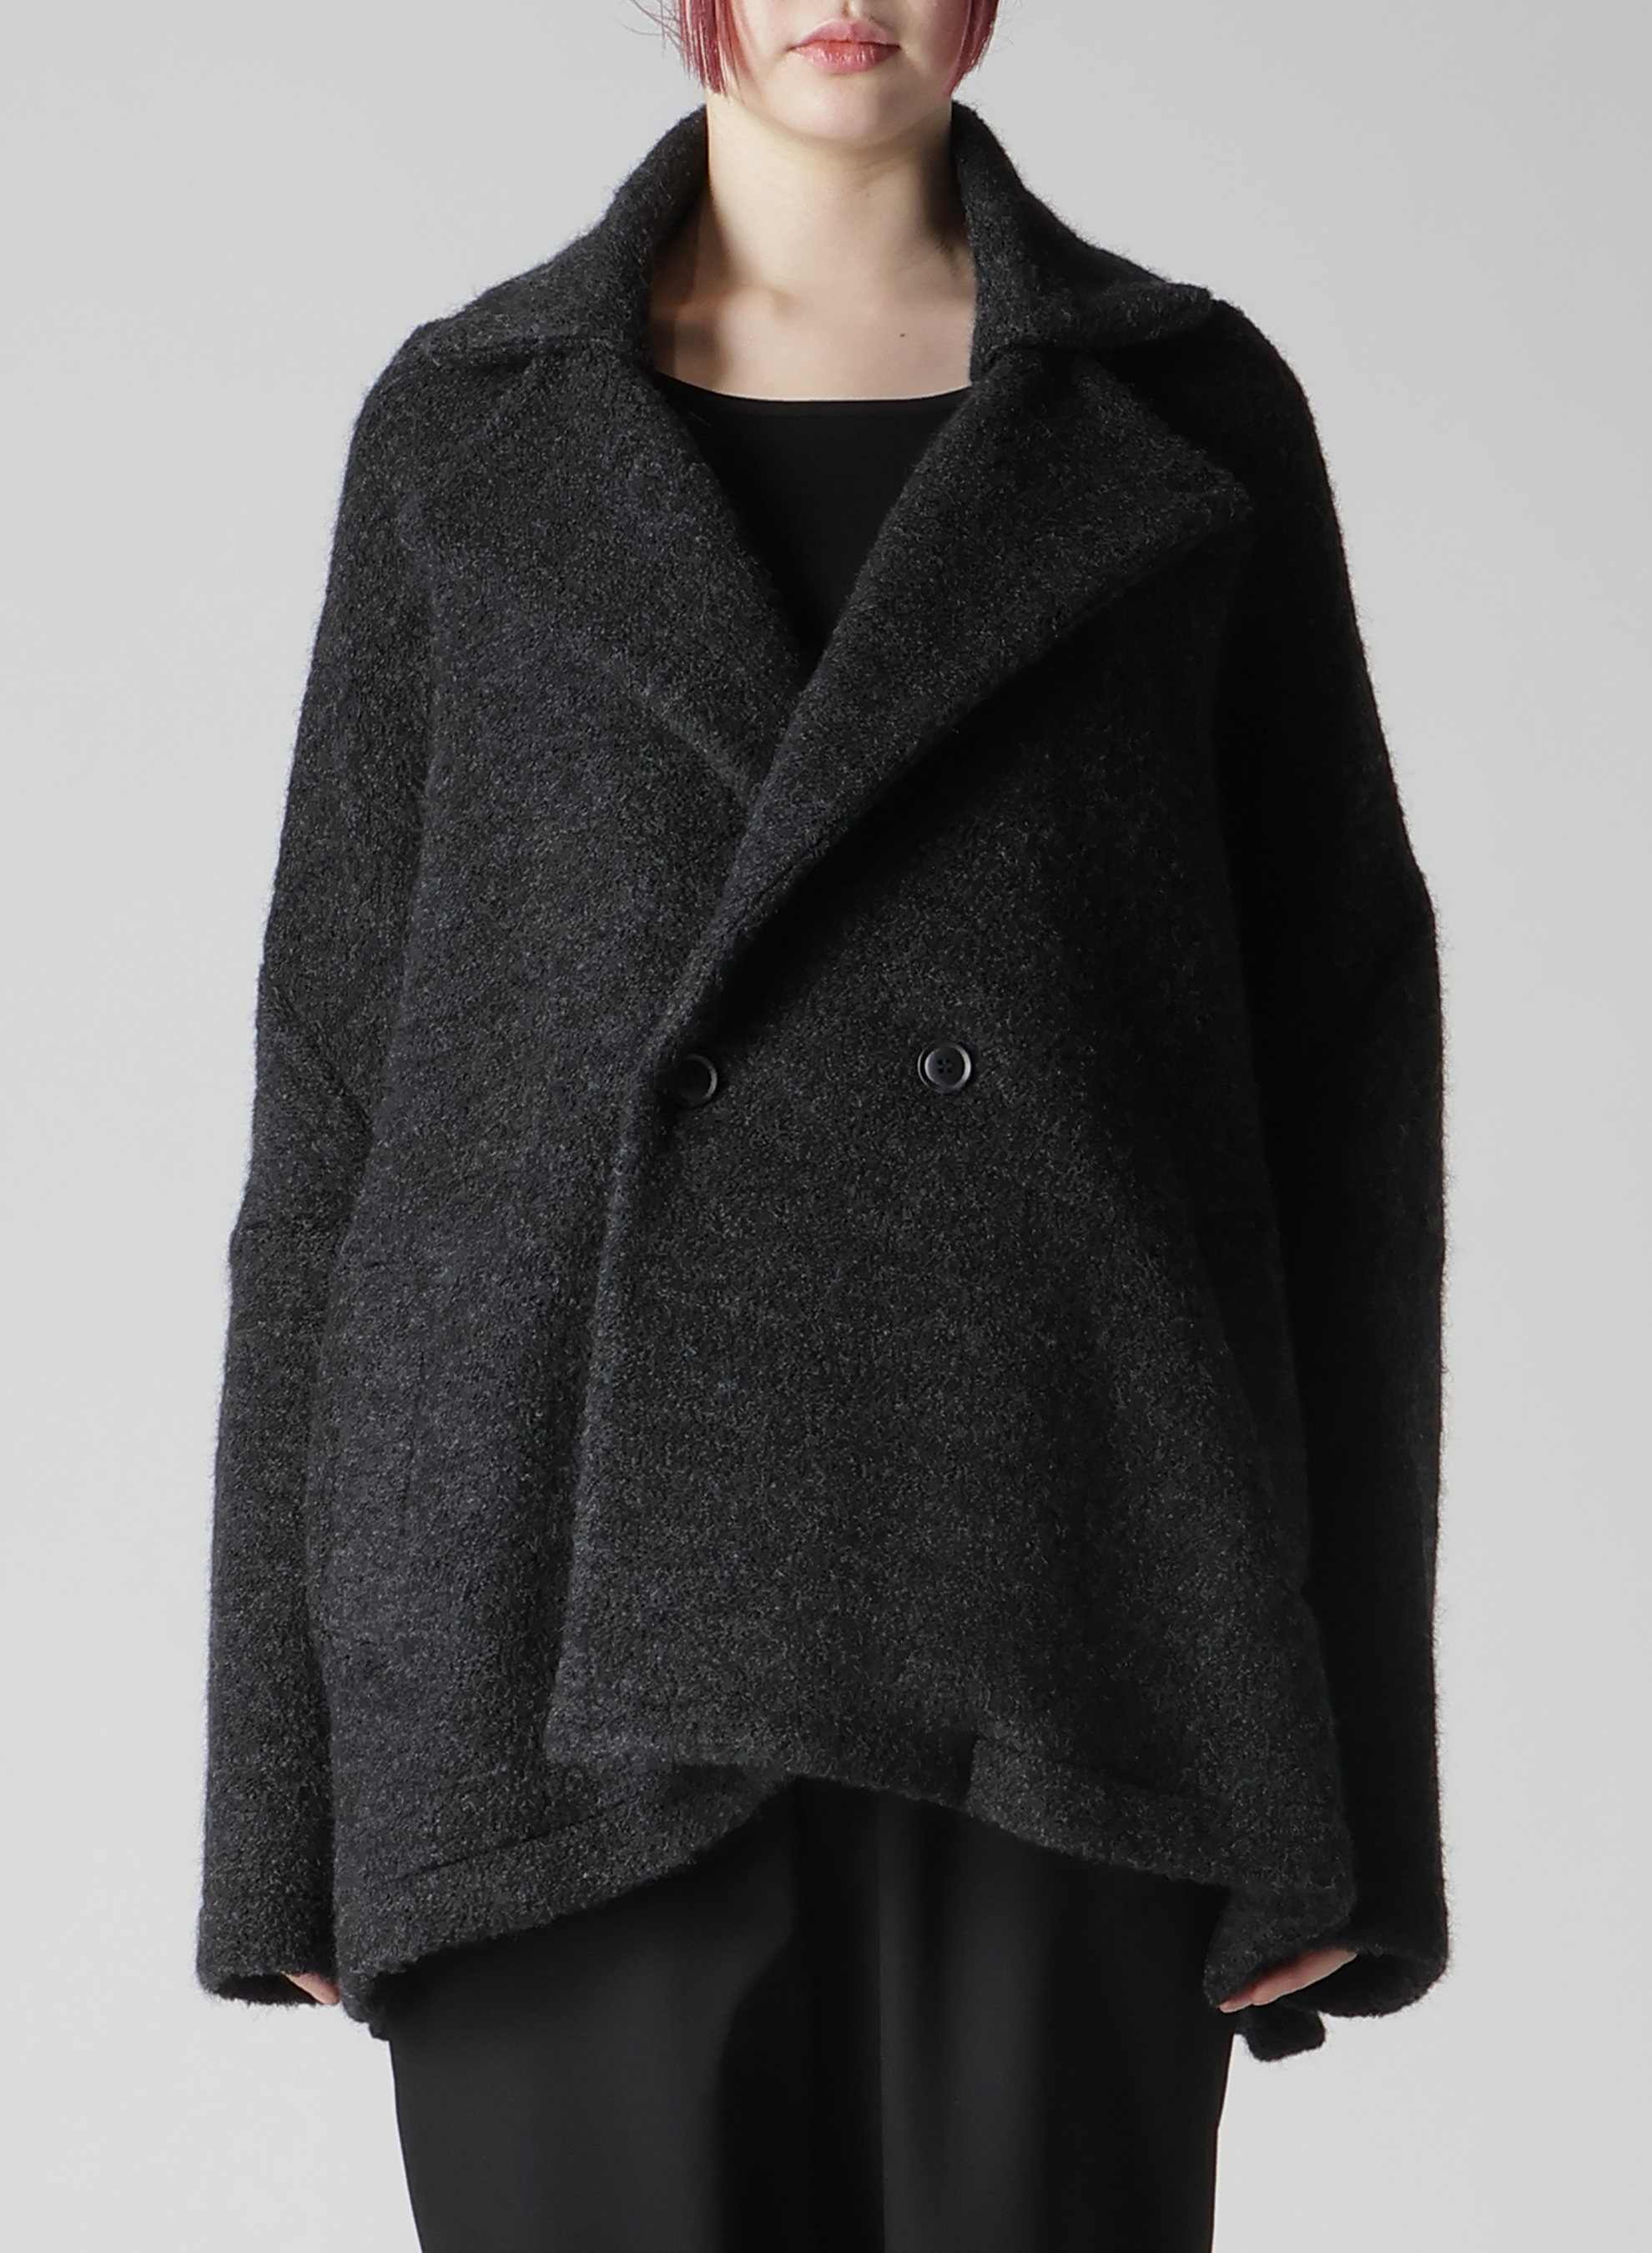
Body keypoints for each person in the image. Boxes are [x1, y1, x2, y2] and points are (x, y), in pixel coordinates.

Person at [197, 3, 1448, 2246]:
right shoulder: (470, 426)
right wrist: (278, 1809)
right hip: (539, 1650)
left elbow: (1340, 1110)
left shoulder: (1183, 416)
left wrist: (1351, 1779)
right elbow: (331, 1112)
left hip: (1076, 1624)